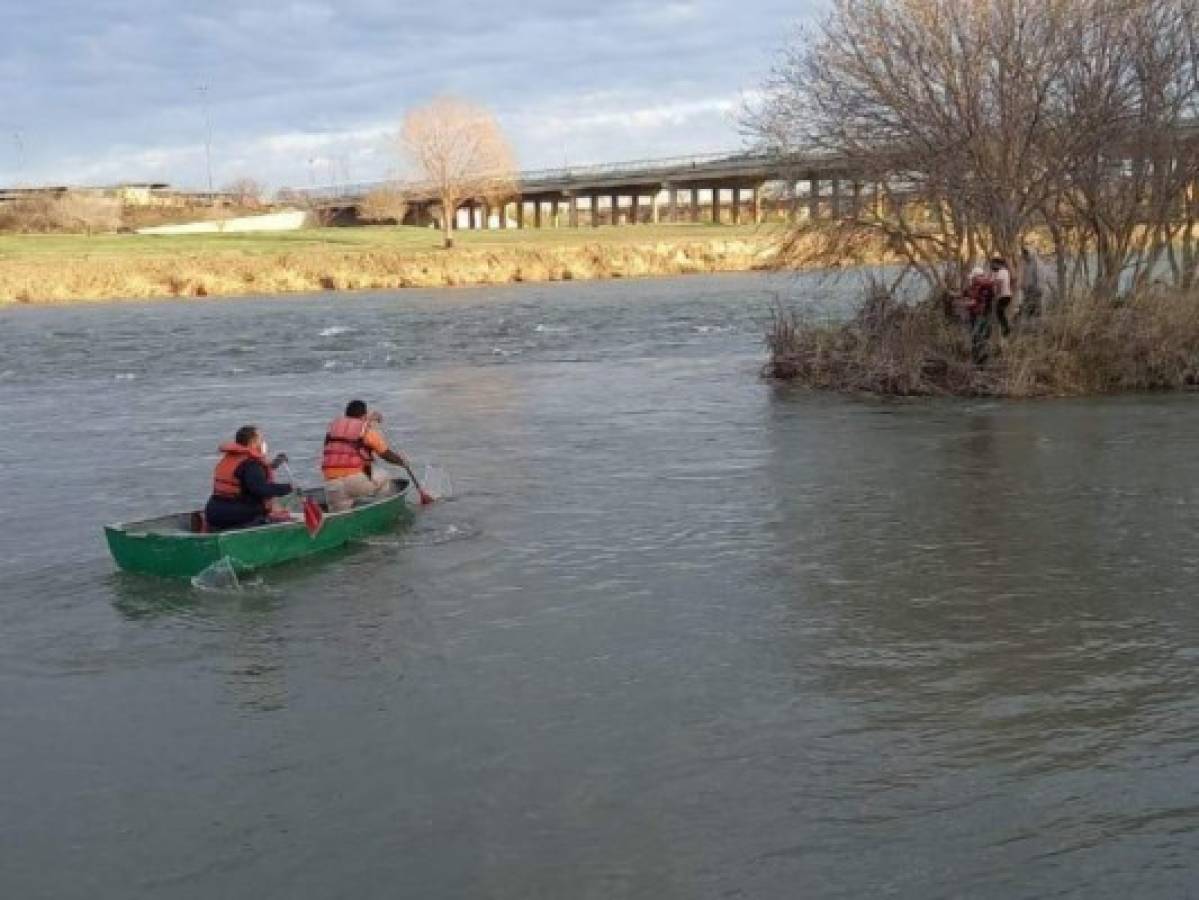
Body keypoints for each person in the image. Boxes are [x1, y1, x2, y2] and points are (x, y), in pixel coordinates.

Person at [321, 400, 412, 513]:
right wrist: (402, 462)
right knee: (385, 478)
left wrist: (369, 420)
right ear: (364, 415)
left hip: (332, 485)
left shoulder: (332, 430)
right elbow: (386, 454)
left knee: (340, 513)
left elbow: (345, 439)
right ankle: (384, 509)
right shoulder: (366, 430)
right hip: (355, 482)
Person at [204, 426, 294, 531]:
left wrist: (275, 463)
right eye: (260, 439)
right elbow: (261, 489)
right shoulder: (251, 464)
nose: (263, 442)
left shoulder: (231, 458)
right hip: (233, 515)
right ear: (252, 442)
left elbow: (251, 475)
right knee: (266, 509)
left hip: (213, 512)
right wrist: (289, 488)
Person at [965, 266, 995, 365]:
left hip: (980, 315)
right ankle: (978, 361)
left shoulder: (984, 286)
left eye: (974, 277)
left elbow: (978, 302)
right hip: (978, 315)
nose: (973, 279)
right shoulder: (980, 285)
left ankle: (980, 361)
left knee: (977, 337)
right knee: (977, 337)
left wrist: (966, 304)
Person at [990, 254, 1013, 337]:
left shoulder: (1002, 271)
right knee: (999, 312)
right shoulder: (998, 272)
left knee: (999, 312)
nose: (992, 266)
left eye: (993, 264)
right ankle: (1004, 329)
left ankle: (1006, 329)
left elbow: (999, 283)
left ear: (997, 264)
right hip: (1003, 295)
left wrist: (997, 295)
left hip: (1004, 295)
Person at [1019, 244, 1043, 318]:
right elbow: (1026, 276)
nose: (1024, 256)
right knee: (1027, 310)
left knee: (1036, 310)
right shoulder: (1026, 263)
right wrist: (1023, 285)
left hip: (1035, 290)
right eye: (1023, 254)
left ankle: (1037, 327)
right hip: (1028, 291)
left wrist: (1038, 289)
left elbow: (1039, 277)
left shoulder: (1036, 263)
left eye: (1025, 254)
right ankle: (1029, 327)